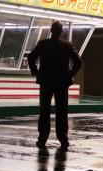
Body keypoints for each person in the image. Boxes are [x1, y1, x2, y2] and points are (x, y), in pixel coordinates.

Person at [27, 21, 82, 149]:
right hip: (62, 82)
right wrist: (70, 74)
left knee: (44, 111)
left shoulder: (43, 44)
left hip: (46, 81)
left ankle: (42, 139)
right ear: (61, 31)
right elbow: (78, 61)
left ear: (51, 30)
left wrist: (36, 72)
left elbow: (31, 57)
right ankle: (63, 139)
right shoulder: (67, 45)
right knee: (62, 112)